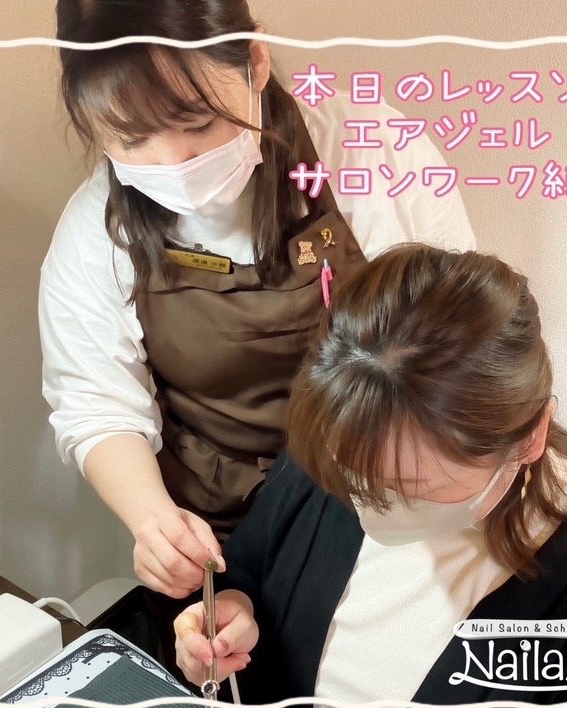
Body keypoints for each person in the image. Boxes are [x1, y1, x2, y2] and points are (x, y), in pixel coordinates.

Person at [40, 0, 475, 603]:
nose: (175, 163)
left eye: (198, 123)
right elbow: (96, 404)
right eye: (133, 138)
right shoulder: (96, 230)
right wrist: (156, 524)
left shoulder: (370, 152)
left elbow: (458, 329)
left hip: (382, 509)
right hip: (222, 542)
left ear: (255, 59)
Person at [174, 245, 567, 708]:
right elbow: (247, 577)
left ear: (530, 437)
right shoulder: (344, 435)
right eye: (355, 481)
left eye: (411, 492)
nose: (369, 509)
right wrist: (229, 616)